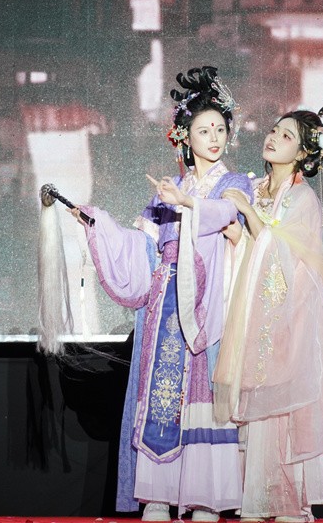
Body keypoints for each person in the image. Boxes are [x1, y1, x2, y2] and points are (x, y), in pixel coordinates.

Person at [70, 66, 251, 521]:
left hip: (208, 303)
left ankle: (206, 496)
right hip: (165, 302)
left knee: (204, 391)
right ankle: (158, 494)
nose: (214, 138)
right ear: (185, 137)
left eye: (220, 129)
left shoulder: (234, 184)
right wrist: (98, 223)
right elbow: (142, 248)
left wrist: (188, 203)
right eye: (204, 130)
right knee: (160, 395)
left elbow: (228, 216)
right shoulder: (168, 192)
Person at [214, 105, 323, 522]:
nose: (274, 137)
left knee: (283, 407)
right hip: (251, 313)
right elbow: (253, 249)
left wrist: (248, 214)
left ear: (303, 153)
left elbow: (288, 255)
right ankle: (255, 500)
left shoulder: (302, 198)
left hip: (289, 317)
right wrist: (238, 235)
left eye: (287, 136)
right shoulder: (254, 187)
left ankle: (286, 503)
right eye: (275, 130)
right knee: (256, 408)